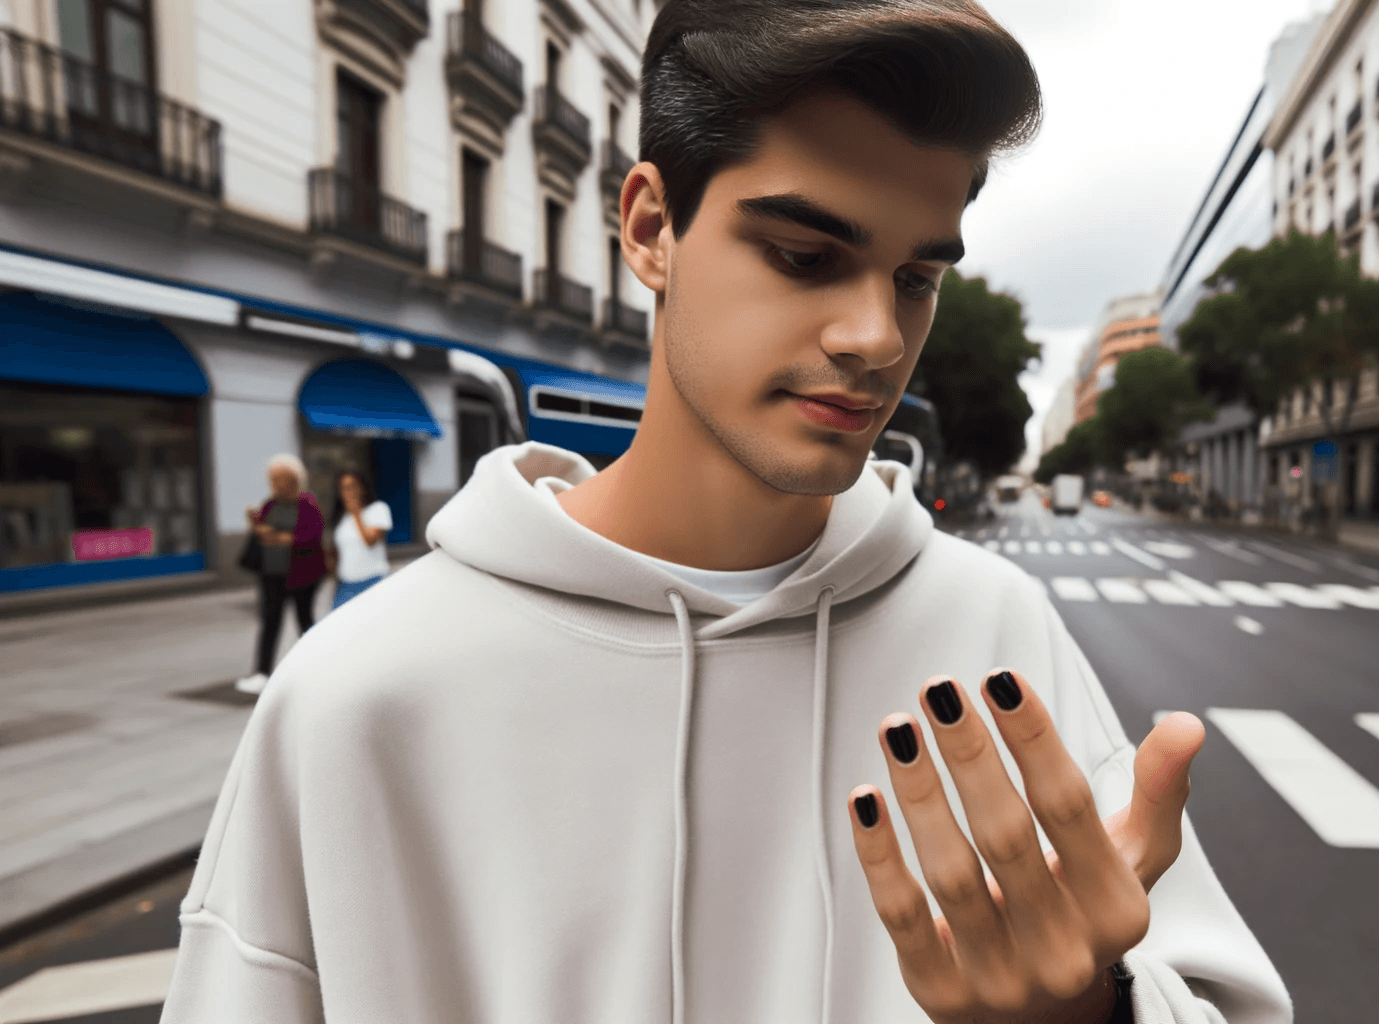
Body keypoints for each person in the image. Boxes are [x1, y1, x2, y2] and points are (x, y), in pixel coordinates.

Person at [160, 3, 1291, 1024]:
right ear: (651, 227)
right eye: (805, 255)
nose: (876, 337)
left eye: (915, 277)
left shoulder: (999, 636)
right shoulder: (359, 694)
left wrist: (1087, 1013)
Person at [234, 455, 325, 696]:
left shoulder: (307, 504)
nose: (273, 483)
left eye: (278, 479)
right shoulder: (269, 505)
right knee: (269, 622)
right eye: (271, 479)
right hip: (271, 574)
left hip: (302, 575)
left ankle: (320, 669)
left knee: (304, 621)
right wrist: (256, 524)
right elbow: (263, 535)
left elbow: (312, 537)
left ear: (294, 480)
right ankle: (262, 673)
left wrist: (285, 538)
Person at [327, 469, 392, 609]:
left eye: (353, 486)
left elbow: (370, 541)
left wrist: (357, 514)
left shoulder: (378, 509)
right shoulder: (342, 517)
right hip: (346, 584)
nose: (349, 492)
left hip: (372, 580)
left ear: (362, 487)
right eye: (344, 488)